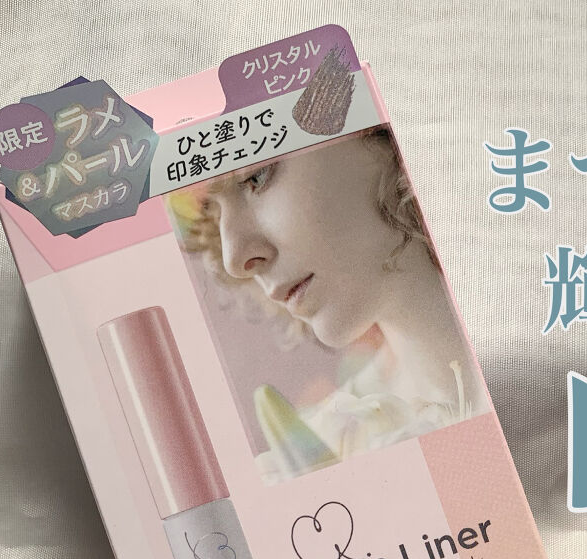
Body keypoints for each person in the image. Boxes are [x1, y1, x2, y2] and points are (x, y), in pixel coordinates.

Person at [167, 125, 487, 479]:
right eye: (214, 215)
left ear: (379, 132)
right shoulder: (327, 446)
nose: (234, 258)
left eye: (256, 176)